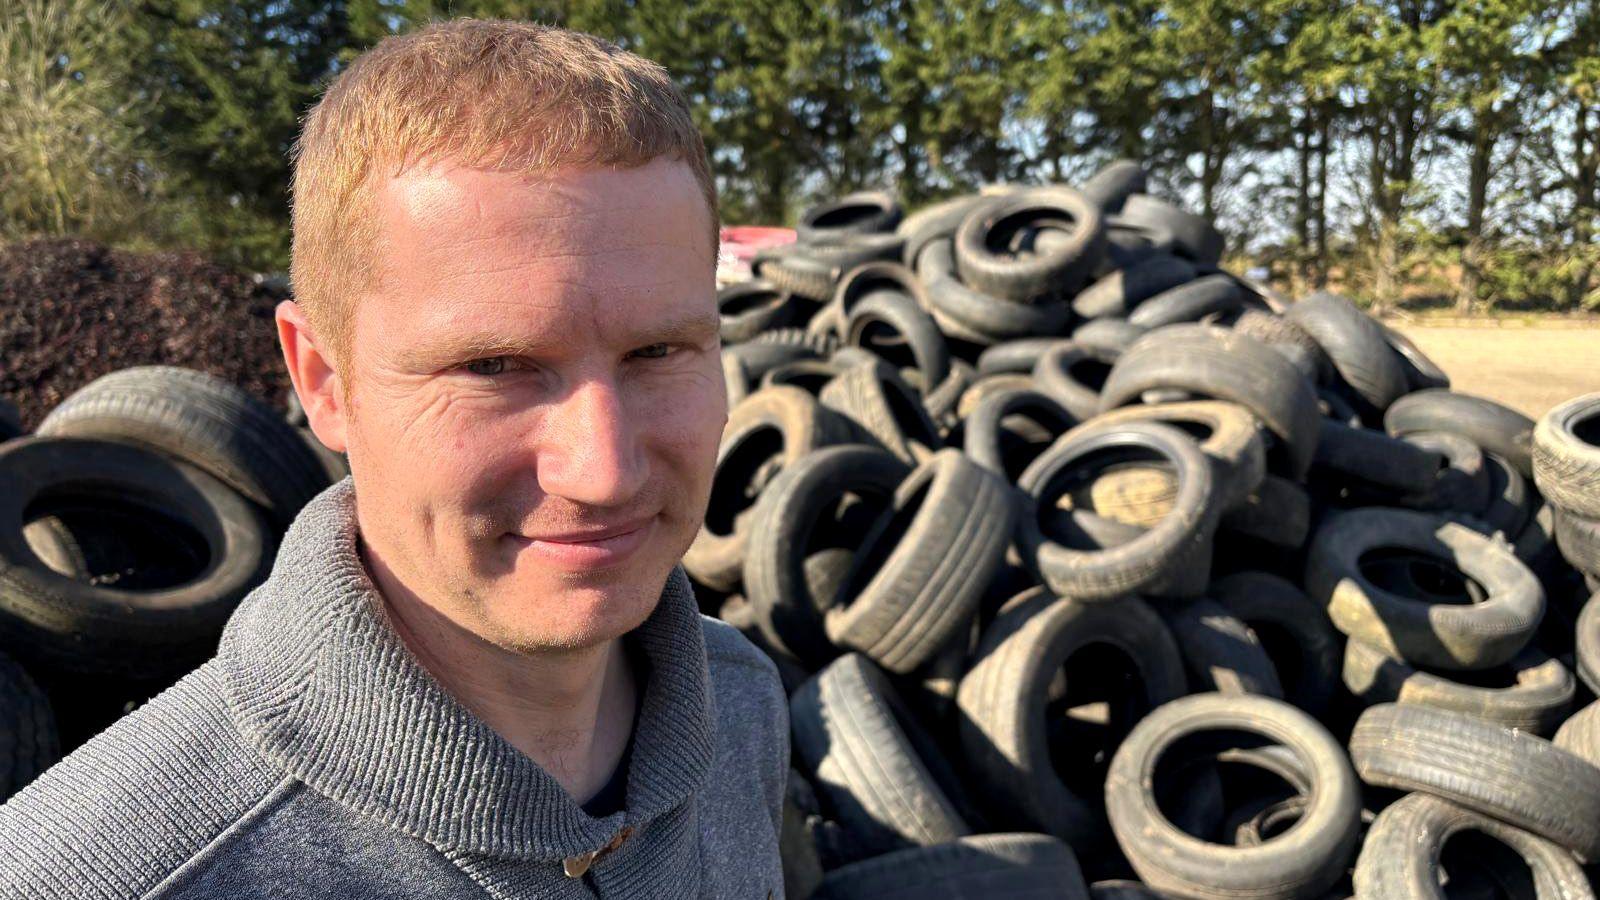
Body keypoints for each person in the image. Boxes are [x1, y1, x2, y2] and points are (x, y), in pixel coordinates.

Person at [0, 19, 788, 899]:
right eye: (494, 367)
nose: (603, 470)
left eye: (660, 352)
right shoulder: (102, 879)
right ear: (323, 380)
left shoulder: (742, 706)